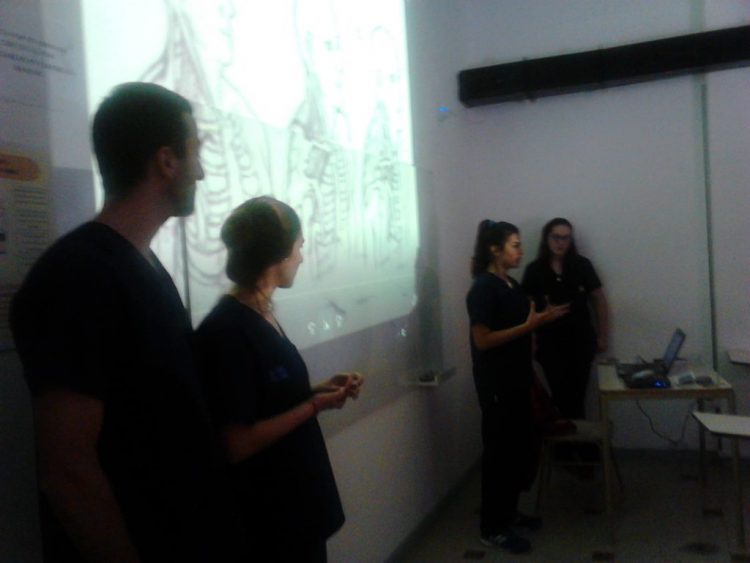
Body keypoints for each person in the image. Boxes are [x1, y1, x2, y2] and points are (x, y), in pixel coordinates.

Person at [10, 83, 235, 562]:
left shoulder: (142, 265)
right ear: (166, 161)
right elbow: (67, 473)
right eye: (195, 152)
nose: (201, 171)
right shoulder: (76, 277)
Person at [194, 196, 363, 562]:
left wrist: (321, 389)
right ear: (279, 254)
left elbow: (267, 399)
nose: (301, 257)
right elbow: (237, 442)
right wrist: (315, 404)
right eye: (299, 246)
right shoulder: (226, 331)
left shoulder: (261, 314)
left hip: (296, 508)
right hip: (272, 520)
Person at [466, 220, 568, 554]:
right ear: (494, 249)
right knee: (499, 457)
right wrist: (529, 326)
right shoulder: (483, 288)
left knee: (516, 454)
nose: (521, 251)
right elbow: (483, 340)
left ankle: (508, 515)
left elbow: (522, 324)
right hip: (497, 386)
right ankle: (492, 528)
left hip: (518, 381)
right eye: (514, 245)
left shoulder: (509, 283)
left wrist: (542, 319)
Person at [522, 217, 609, 420]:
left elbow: (599, 301)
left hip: (581, 343)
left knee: (577, 397)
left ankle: (577, 438)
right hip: (549, 344)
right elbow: (525, 308)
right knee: (560, 397)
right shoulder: (534, 269)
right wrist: (530, 339)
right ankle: (570, 438)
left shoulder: (582, 265)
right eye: (556, 237)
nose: (561, 242)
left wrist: (603, 336)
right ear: (546, 238)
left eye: (566, 238)